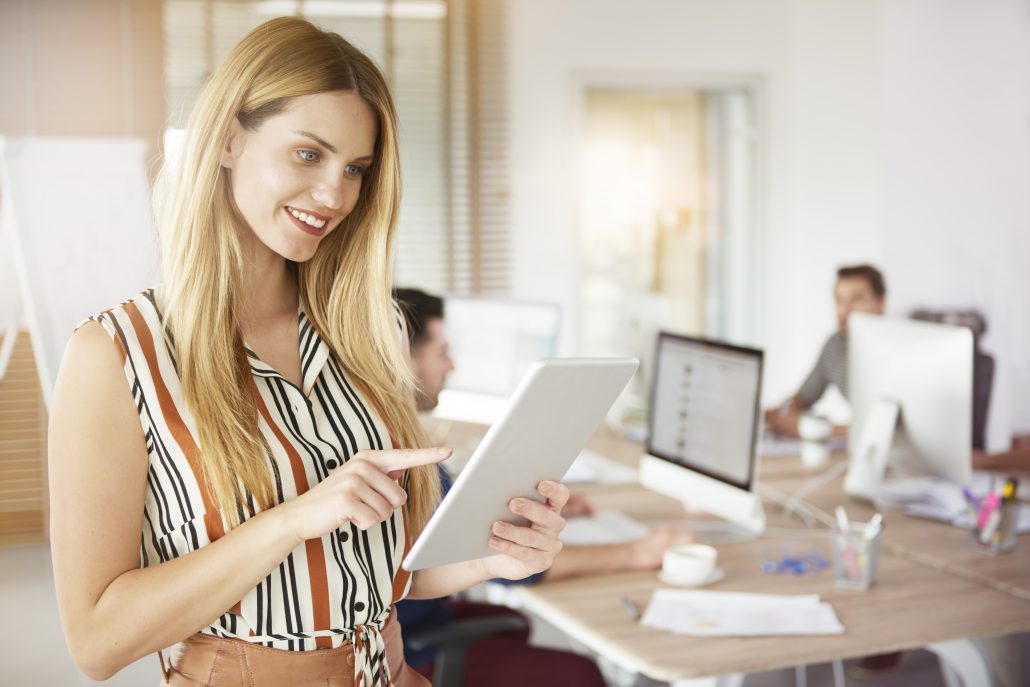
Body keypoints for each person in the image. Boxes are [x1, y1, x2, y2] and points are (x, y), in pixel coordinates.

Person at [47, 18, 569, 687]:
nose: (334, 195)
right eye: (308, 155)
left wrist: (491, 557)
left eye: (355, 169)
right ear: (230, 139)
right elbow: (95, 641)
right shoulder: (117, 354)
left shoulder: (367, 329)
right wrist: (292, 519)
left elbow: (381, 565)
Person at [392, 288, 696, 684]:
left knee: (513, 625)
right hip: (411, 650)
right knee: (580, 673)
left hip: (421, 617)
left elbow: (453, 521)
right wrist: (638, 552)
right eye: (442, 352)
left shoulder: (404, 436)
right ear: (405, 358)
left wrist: (513, 499)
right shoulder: (405, 458)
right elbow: (507, 560)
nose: (452, 365)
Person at [764, 264, 887, 438]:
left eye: (856, 300)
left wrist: (813, 429)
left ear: (880, 303)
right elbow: (803, 398)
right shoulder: (835, 346)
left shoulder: (896, 354)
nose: (845, 310)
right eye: (839, 301)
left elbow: (889, 430)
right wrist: (777, 415)